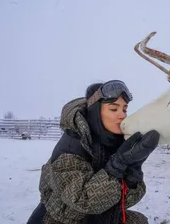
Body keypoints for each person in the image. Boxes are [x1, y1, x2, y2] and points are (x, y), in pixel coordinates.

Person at [27, 80, 160, 224]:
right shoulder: (71, 148)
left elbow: (121, 202)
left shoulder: (113, 140)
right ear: (95, 111)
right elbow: (84, 200)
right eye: (114, 109)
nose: (122, 115)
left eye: (125, 109)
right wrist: (117, 166)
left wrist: (133, 172)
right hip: (59, 220)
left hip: (95, 217)